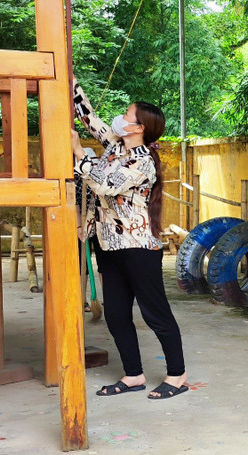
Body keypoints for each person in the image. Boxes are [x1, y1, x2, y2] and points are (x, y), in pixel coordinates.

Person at [69, 78, 188, 399]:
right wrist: (72, 84)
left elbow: (105, 183)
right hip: (108, 245)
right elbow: (89, 119)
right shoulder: (116, 146)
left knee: (155, 313)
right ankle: (133, 374)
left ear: (137, 129)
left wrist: (79, 153)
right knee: (117, 314)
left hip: (138, 248)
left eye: (126, 115)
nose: (119, 119)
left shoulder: (142, 162)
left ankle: (178, 375)